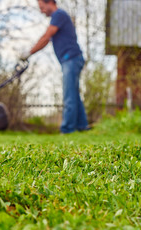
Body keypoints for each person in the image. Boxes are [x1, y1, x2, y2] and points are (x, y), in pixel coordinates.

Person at [21, 0, 89, 134]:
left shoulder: (59, 14)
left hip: (71, 59)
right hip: (72, 59)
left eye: (42, 7)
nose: (41, 11)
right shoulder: (58, 17)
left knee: (69, 95)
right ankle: (82, 126)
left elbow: (46, 37)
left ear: (50, 2)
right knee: (74, 94)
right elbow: (47, 40)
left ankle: (67, 129)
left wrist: (29, 52)